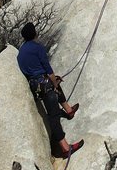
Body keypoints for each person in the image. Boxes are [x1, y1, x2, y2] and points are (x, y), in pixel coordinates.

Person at [17, 22, 84, 158]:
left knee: (56, 83)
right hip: (45, 84)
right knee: (53, 116)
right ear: (35, 33)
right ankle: (65, 148)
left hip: (34, 85)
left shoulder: (21, 52)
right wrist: (54, 82)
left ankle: (69, 110)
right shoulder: (38, 48)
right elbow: (49, 70)